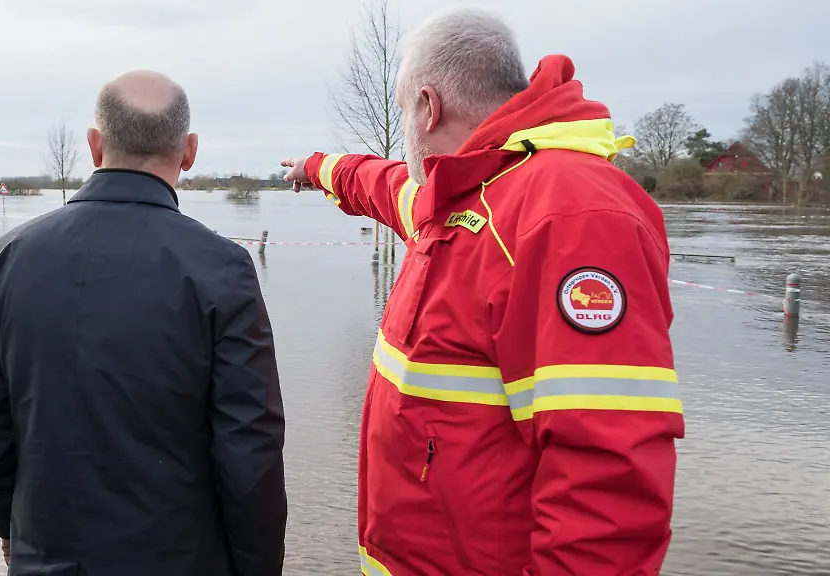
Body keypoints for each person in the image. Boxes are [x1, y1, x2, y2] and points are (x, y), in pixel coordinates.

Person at [283, 8, 684, 576]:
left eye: (402, 110)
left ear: (428, 106)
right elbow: (383, 183)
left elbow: (607, 481)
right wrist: (318, 168)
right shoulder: (462, 197)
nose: (404, 129)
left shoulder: (568, 215)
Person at [0, 70, 287, 575]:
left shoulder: (8, 258)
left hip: (45, 556)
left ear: (94, 145)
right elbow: (250, 448)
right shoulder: (222, 269)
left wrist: (14, 530)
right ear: (189, 151)